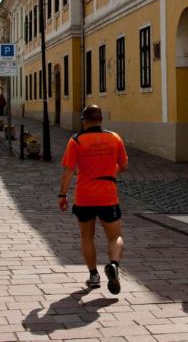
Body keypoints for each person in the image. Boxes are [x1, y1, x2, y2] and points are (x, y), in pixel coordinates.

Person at [59, 105, 128, 294]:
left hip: (85, 196)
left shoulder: (76, 141)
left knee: (86, 237)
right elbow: (124, 164)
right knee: (115, 237)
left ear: (84, 120)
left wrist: (62, 195)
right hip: (108, 195)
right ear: (101, 120)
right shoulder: (115, 138)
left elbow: (68, 171)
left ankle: (94, 275)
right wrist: (111, 173)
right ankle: (114, 264)